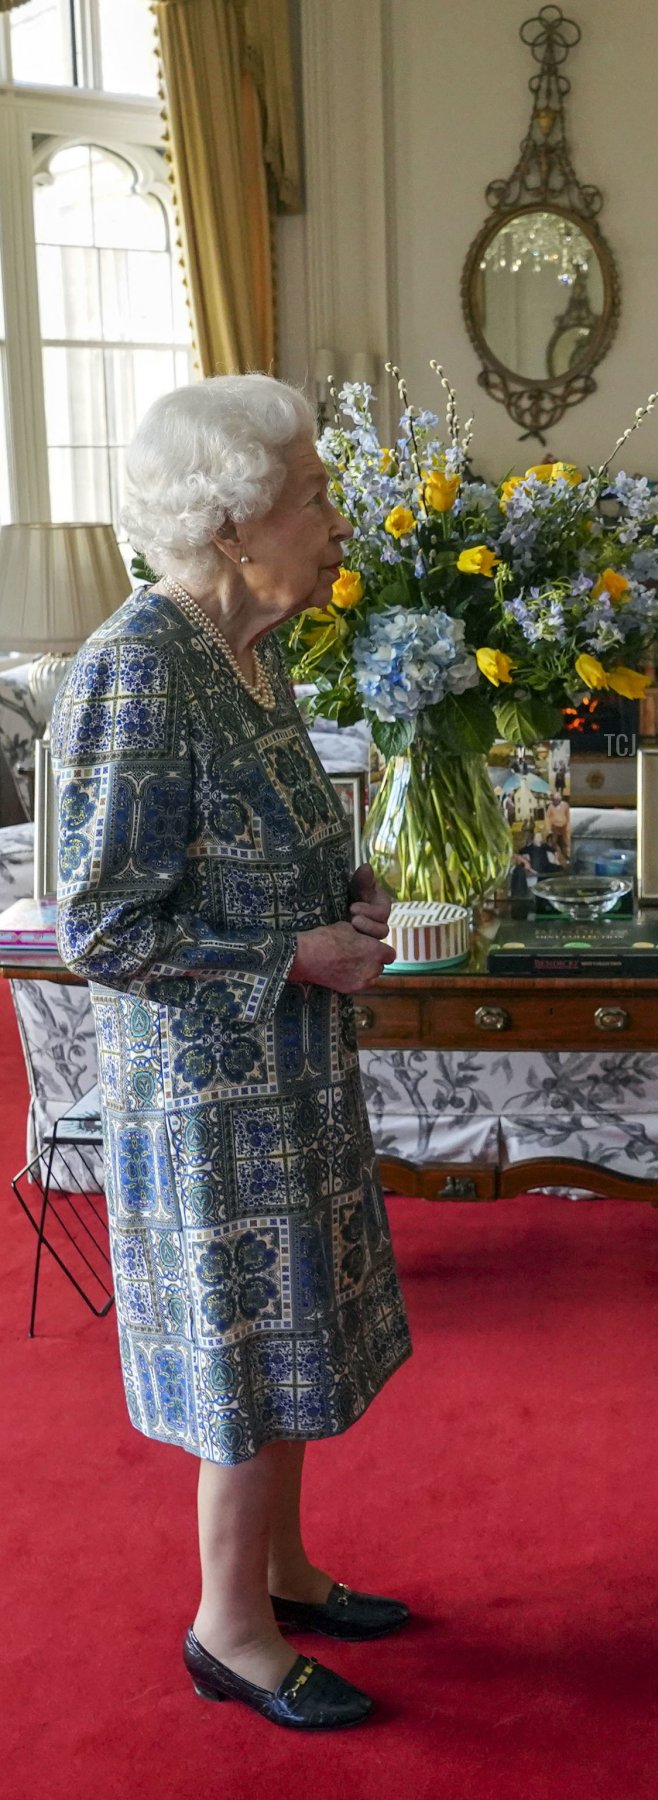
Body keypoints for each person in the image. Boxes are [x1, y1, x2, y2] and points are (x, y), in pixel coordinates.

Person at [52, 374, 413, 1732]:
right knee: (242, 1348)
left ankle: (285, 1573)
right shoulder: (141, 664)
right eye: (311, 495)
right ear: (226, 529)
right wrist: (292, 958)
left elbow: (259, 850)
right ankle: (229, 1628)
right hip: (207, 1098)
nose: (333, 516)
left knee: (288, 1335)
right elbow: (99, 924)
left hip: (285, 1077)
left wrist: (353, 894)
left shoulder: (250, 653)